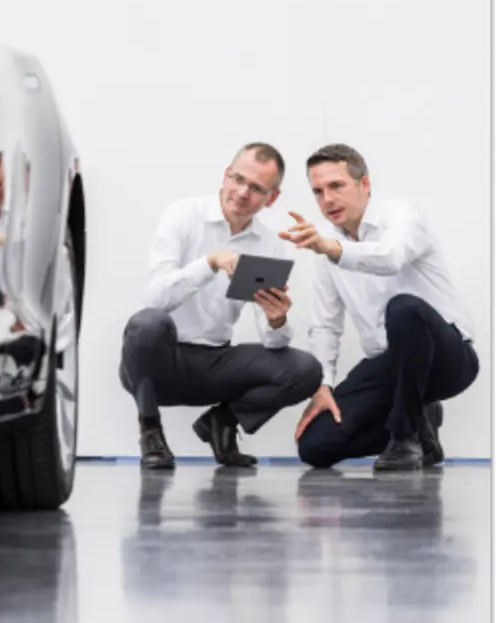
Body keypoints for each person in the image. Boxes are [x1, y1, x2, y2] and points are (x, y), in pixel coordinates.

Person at [119, 142, 323, 469]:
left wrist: (277, 321)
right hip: (160, 362)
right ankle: (150, 430)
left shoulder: (268, 244)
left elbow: (274, 344)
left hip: (214, 362)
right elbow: (153, 299)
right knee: (148, 323)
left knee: (306, 370)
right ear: (226, 175)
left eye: (257, 188)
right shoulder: (184, 215)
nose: (243, 193)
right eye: (238, 179)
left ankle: (222, 423)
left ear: (272, 197)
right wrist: (210, 263)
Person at [287, 143, 479, 471]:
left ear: (365, 185)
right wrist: (323, 386)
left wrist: (333, 249)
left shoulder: (402, 216)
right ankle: (421, 427)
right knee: (315, 447)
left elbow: (391, 257)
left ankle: (404, 438)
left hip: (448, 358)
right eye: (318, 191)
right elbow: (326, 326)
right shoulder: (327, 252)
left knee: (403, 309)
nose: (327, 199)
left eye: (336, 186)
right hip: (391, 365)